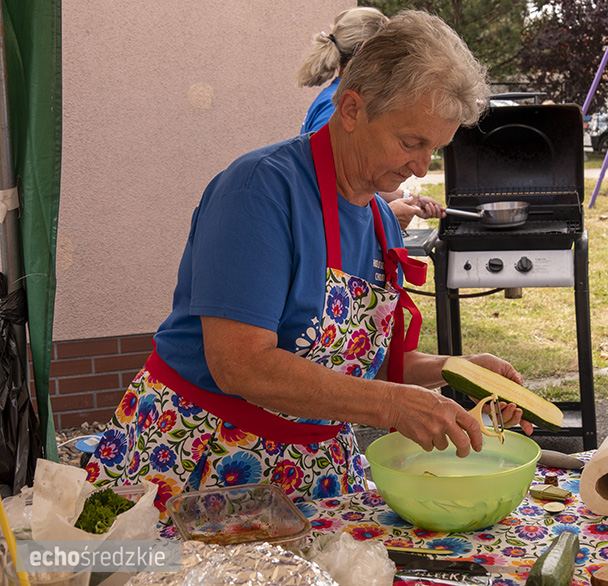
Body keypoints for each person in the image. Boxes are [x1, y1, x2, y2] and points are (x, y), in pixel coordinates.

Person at [86, 10, 534, 527]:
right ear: (350, 108)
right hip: (198, 465)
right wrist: (393, 406)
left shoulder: (380, 221)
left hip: (312, 474)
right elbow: (241, 364)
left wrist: (456, 370)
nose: (421, 167)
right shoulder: (260, 191)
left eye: (434, 148)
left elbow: (355, 361)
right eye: (411, 142)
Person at [296, 7, 447, 230]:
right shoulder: (337, 108)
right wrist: (387, 218)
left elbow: (357, 180)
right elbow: (324, 202)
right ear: (367, 51)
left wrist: (409, 197)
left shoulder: (340, 99)